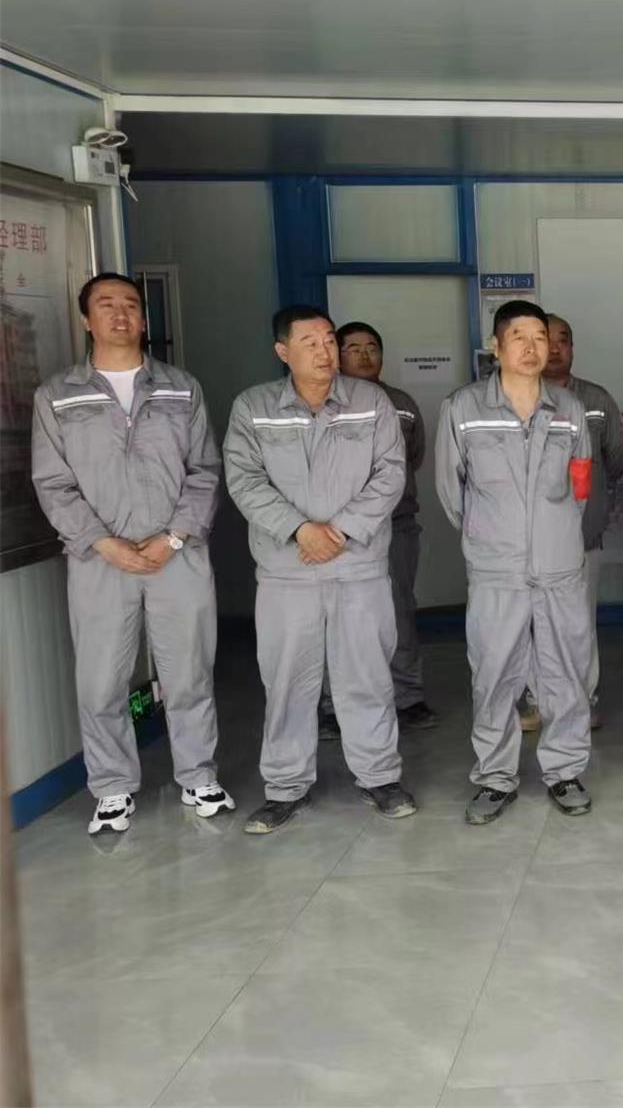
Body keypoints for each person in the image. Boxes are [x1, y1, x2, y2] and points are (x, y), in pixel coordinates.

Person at [31, 272, 233, 835]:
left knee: (188, 671)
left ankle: (198, 775)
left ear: (144, 318)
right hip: (99, 558)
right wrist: (101, 541)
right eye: (106, 305)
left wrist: (174, 536)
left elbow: (205, 469)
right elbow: (52, 482)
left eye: (130, 305)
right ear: (86, 319)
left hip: (177, 554)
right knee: (101, 680)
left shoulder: (181, 388)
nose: (120, 314)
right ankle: (112, 787)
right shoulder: (58, 394)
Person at [224, 305, 414, 834]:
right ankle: (285, 787)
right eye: (309, 342)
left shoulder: (371, 403)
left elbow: (390, 474)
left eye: (329, 340)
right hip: (287, 571)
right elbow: (244, 479)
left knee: (367, 676)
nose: (325, 350)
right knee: (287, 681)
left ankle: (380, 777)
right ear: (282, 351)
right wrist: (299, 530)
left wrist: (342, 531)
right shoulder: (254, 407)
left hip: (358, 568)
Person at [436, 300, 596, 824]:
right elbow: (452, 492)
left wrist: (554, 535)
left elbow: (579, 487)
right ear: (496, 346)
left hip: (559, 568)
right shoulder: (464, 408)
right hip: (496, 570)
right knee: (494, 674)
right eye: (519, 337)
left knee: (565, 673)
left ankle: (565, 770)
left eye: (540, 338)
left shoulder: (569, 409)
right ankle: (495, 778)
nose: (532, 348)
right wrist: (490, 538)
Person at [315, 321, 436, 736]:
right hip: (333, 533)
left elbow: (412, 458)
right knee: (334, 618)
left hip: (395, 525)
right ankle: (332, 705)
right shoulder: (323, 401)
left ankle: (408, 696)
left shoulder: (401, 404)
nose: (364, 356)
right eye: (353, 348)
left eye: (372, 348)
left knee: (398, 611)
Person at [543, 312, 623, 731]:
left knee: (579, 624)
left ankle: (583, 699)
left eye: (563, 339)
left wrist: (591, 501)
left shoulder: (595, 399)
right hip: (530, 538)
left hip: (583, 533)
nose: (554, 348)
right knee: (532, 623)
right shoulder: (513, 399)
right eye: (545, 339)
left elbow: (616, 459)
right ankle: (536, 700)